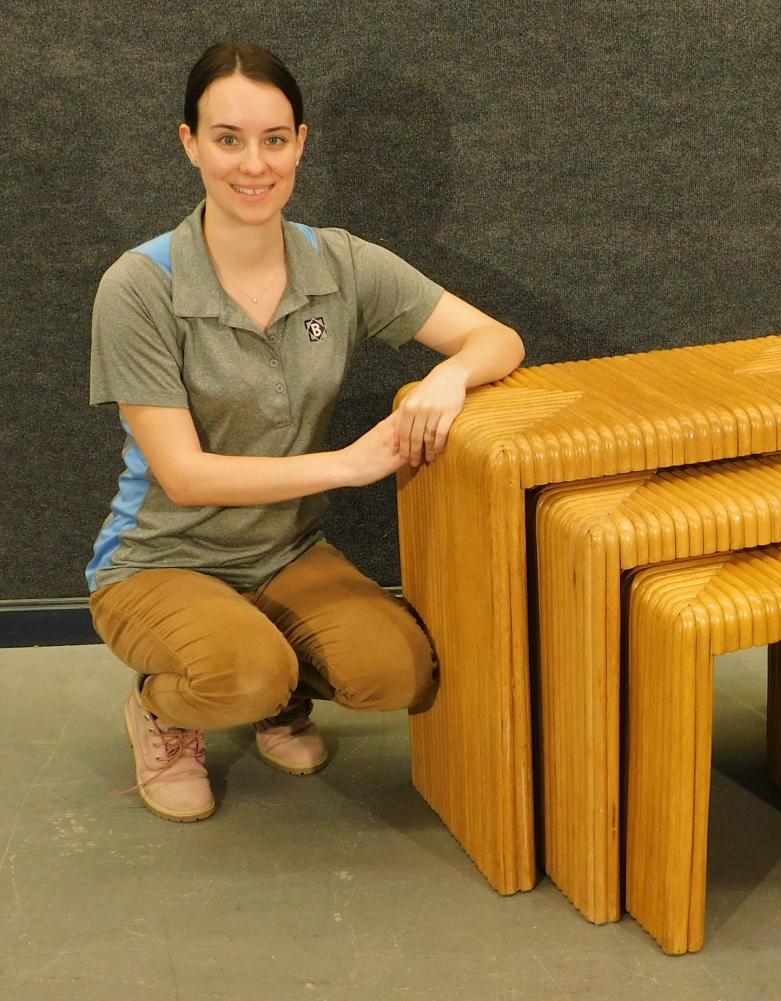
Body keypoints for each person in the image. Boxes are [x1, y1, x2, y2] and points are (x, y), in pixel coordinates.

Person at [86, 43, 525, 823]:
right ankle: (168, 707)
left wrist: (447, 377)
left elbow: (497, 339)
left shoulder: (343, 263)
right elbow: (184, 476)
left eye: (274, 139)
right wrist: (348, 465)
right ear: (189, 143)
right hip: (159, 559)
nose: (253, 165)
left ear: (301, 143)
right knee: (245, 673)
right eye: (228, 139)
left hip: (285, 553)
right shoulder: (138, 286)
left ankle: (269, 676)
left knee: (402, 674)